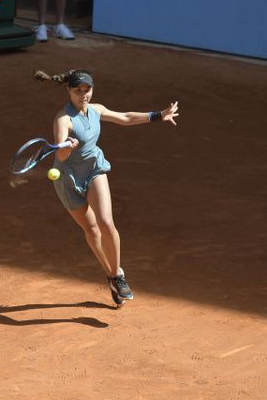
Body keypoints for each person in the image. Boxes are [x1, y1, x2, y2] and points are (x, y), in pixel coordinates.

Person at [35, 69, 179, 307]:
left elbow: (124, 118)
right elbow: (60, 154)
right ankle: (112, 275)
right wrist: (68, 145)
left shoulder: (97, 110)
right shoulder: (63, 119)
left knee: (106, 222)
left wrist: (158, 115)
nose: (83, 95)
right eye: (77, 91)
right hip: (68, 179)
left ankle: (118, 277)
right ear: (68, 91)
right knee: (91, 230)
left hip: (93, 169)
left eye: (87, 90)